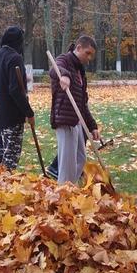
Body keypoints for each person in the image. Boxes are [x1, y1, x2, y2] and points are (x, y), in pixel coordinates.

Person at [50, 35, 100, 184]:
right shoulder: (65, 59)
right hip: (65, 120)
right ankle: (63, 194)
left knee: (80, 158)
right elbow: (55, 68)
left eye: (91, 55)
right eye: (87, 53)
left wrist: (92, 126)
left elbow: (83, 103)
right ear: (78, 48)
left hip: (77, 122)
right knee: (67, 164)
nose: (89, 58)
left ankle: (70, 188)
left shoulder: (80, 71)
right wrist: (64, 76)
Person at [0, 26, 35, 171]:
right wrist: (29, 112)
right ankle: (4, 188)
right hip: (12, 116)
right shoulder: (15, 57)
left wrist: (21, 77)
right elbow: (15, 90)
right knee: (10, 158)